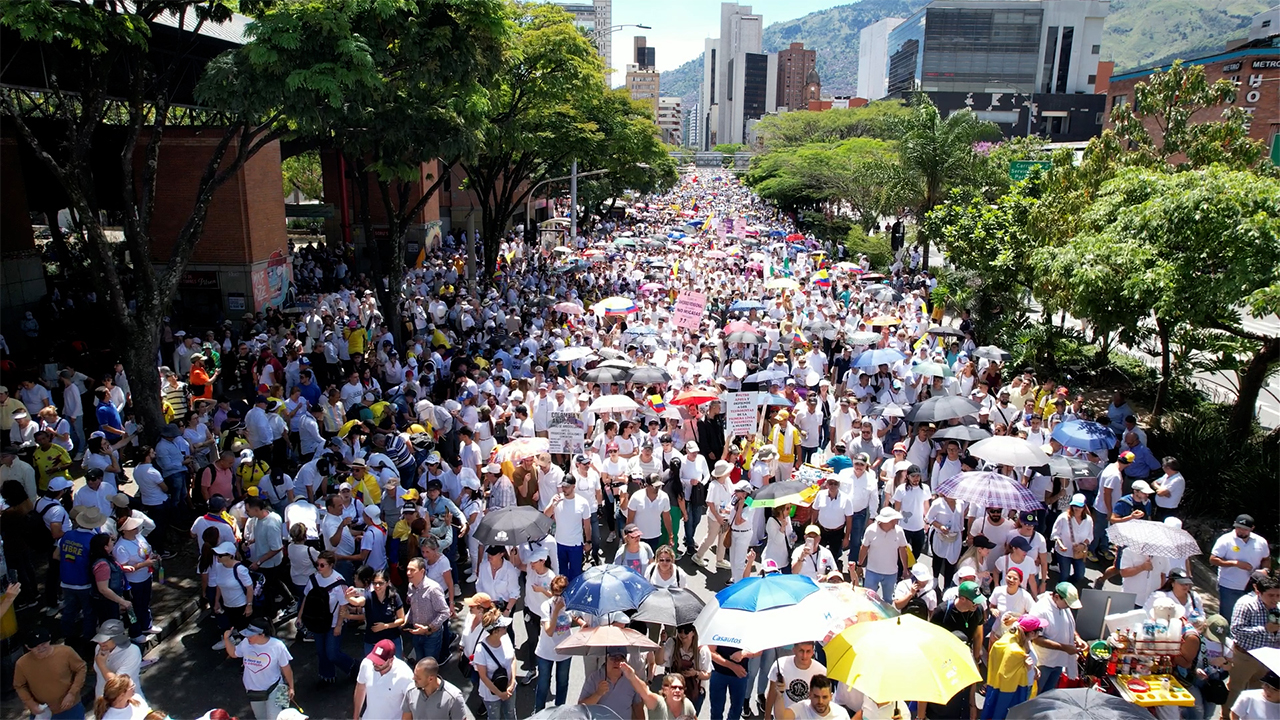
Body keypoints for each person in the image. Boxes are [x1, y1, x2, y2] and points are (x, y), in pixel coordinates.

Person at [220, 618, 295, 720]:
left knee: (276, 718)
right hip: (253, 692)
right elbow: (233, 653)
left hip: (275, 688)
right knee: (260, 717)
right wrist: (226, 639)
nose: (247, 636)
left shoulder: (277, 646)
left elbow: (286, 668)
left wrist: (291, 687)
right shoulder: (246, 643)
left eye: (251, 635)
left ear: (262, 635)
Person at [1226, 572, 1280, 714]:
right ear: (1258, 592)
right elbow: (1236, 630)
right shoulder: (1246, 605)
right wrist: (1264, 629)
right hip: (1245, 657)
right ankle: (1226, 717)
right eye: (1271, 595)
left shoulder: (1278, 608)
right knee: (1235, 691)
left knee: (1257, 693)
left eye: (1278, 595)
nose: (1275, 599)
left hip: (1267, 658)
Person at [299, 550, 355, 684]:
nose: (319, 568)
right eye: (317, 564)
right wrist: (300, 616)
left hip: (333, 623)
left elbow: (344, 605)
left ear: (331, 565)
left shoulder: (339, 582)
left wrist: (339, 625)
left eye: (322, 565)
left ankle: (354, 667)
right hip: (318, 621)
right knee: (321, 651)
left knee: (332, 653)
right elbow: (306, 598)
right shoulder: (314, 578)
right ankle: (327, 675)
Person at [14, 627, 88, 719]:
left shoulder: (66, 652)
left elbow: (81, 668)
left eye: (43, 643)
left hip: (71, 707)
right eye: (35, 646)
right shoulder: (22, 664)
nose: (40, 648)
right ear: (28, 647)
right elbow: (19, 685)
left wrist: (72, 693)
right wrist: (30, 703)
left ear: (49, 640)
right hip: (42, 711)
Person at [1211, 514, 1271, 622]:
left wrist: (1265, 570)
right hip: (1230, 585)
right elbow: (1213, 559)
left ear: (1252, 528)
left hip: (1253, 586)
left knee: (1250, 617)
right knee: (1228, 616)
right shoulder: (1225, 540)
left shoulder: (1260, 542)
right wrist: (1234, 563)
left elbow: (1266, 558)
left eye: (1244, 529)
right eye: (1238, 527)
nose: (1240, 531)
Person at [982, 615, 1042, 719]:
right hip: (1015, 690)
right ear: (1032, 633)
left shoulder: (1019, 638)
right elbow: (1008, 674)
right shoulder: (1014, 650)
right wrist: (1026, 668)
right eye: (1039, 631)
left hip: (1023, 685)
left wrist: (1034, 668)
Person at [1030, 583, 1083, 693]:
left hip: (1059, 661)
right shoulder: (1040, 610)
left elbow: (1068, 625)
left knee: (1048, 694)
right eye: (1067, 603)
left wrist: (1077, 638)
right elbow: (1036, 639)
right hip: (1044, 662)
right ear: (1056, 597)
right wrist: (1065, 648)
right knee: (1035, 693)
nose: (1069, 606)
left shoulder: (1063, 606)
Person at [533, 575, 574, 711]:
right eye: (555, 594)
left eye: (561, 594)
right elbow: (549, 631)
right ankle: (539, 713)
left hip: (565, 651)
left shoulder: (570, 605)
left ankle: (559, 713)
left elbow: (576, 616)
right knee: (543, 685)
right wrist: (556, 611)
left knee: (562, 684)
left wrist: (582, 623)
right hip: (546, 652)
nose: (558, 598)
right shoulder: (546, 606)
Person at [402, 556, 450, 664]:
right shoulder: (411, 586)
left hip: (431, 635)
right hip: (416, 633)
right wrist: (405, 620)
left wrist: (428, 628)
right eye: (407, 569)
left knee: (429, 665)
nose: (408, 573)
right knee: (420, 662)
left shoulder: (433, 589)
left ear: (422, 571)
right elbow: (413, 607)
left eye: (412, 570)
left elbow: (445, 612)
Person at [544, 475, 592, 581]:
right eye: (563, 486)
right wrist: (553, 505)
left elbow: (587, 525)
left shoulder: (583, 503)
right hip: (559, 543)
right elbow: (546, 515)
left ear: (573, 487)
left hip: (575, 544)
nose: (564, 489)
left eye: (567, 487)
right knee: (561, 575)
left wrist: (588, 541)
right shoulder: (556, 499)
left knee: (576, 575)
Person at [656, 624, 711, 715]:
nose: (682, 634)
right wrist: (662, 642)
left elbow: (707, 674)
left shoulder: (702, 649)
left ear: (693, 632)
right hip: (674, 690)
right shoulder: (672, 643)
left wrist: (695, 673)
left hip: (694, 692)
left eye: (686, 631)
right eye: (680, 631)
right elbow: (658, 661)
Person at [354, 639, 414, 720]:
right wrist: (356, 716)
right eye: (373, 659)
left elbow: (410, 706)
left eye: (379, 662)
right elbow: (360, 688)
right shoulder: (366, 663)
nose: (375, 663)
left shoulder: (405, 674)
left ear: (391, 660)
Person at [473, 609, 518, 720]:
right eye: (503, 626)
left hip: (509, 688)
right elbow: (483, 676)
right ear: (495, 631)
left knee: (511, 714)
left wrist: (511, 683)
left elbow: (513, 659)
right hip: (491, 694)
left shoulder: (505, 638)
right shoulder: (480, 650)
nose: (506, 628)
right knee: (494, 717)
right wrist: (499, 693)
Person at [857, 507, 909, 600]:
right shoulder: (871, 530)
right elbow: (864, 548)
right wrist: (859, 565)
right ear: (886, 521)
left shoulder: (899, 531)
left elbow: (903, 550)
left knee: (888, 600)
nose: (896, 522)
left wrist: (905, 569)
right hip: (872, 571)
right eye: (893, 520)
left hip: (891, 573)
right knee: (868, 598)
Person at [352, 569, 405, 657]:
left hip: (392, 640)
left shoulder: (394, 597)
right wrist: (348, 597)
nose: (377, 586)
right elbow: (358, 602)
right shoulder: (369, 596)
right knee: (371, 667)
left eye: (380, 583)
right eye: (374, 583)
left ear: (387, 583)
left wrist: (385, 626)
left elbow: (401, 619)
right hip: (372, 641)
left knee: (395, 666)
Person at [766, 641, 826, 720]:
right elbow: (771, 694)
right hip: (783, 715)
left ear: (813, 652)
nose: (804, 656)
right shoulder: (780, 665)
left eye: (808, 651)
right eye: (801, 651)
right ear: (794, 650)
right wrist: (767, 717)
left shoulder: (821, 671)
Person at [580, 647, 644, 720]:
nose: (616, 662)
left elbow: (638, 706)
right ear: (606, 659)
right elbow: (581, 708)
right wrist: (598, 694)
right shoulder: (595, 678)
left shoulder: (631, 679)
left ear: (625, 662)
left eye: (620, 659)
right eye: (613, 658)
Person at [92, 620, 146, 705]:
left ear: (117, 639)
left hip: (126, 704)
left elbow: (118, 684)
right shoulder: (99, 647)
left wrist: (101, 665)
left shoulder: (132, 651)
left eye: (106, 639)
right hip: (103, 701)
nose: (101, 642)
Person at [401, 657, 467, 720]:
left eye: (418, 678)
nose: (413, 678)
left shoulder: (453, 697)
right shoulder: (411, 690)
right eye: (414, 675)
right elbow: (406, 717)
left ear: (431, 679)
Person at [1050, 493, 1092, 587]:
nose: (1076, 508)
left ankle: (1067, 585)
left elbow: (1090, 536)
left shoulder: (1088, 520)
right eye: (1074, 506)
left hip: (1079, 553)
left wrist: (1083, 545)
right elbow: (1055, 534)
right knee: (1064, 575)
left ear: (1084, 507)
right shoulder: (1063, 517)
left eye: (1079, 506)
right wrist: (1060, 544)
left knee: (1080, 574)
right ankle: (1060, 589)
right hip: (1064, 553)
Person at [629, 671, 697, 720]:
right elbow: (645, 692)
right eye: (673, 687)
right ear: (665, 690)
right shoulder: (658, 703)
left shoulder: (687, 704)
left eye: (680, 688)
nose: (677, 690)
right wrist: (632, 676)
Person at [782, 674, 850, 720]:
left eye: (824, 697)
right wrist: (779, 695)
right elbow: (781, 717)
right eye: (816, 696)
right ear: (809, 695)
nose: (820, 701)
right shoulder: (801, 709)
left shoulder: (841, 713)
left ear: (831, 697)